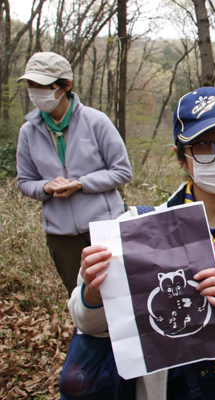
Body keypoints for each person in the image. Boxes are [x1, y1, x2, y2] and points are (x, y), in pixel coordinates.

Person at [68, 87, 215, 399]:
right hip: (166, 387)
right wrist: (93, 294)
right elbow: (89, 325)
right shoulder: (135, 230)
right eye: (203, 146)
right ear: (181, 156)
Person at [16, 52, 132, 295]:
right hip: (61, 235)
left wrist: (81, 184)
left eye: (43, 86)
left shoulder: (96, 121)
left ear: (66, 86)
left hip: (105, 227)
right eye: (31, 85)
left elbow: (122, 171)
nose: (35, 91)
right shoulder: (28, 132)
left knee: (121, 293)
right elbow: (25, 182)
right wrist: (46, 187)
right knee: (81, 296)